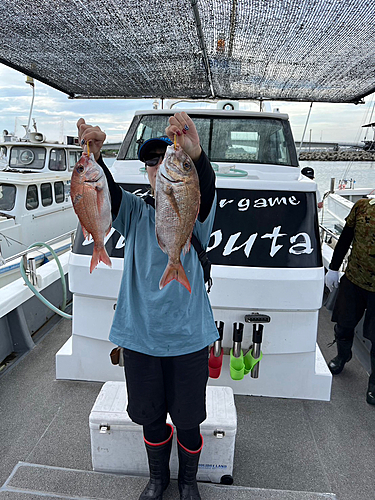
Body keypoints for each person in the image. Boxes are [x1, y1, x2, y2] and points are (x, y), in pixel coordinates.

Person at [77, 112, 219, 500]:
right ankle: (158, 479)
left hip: (188, 338)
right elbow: (105, 192)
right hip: (139, 336)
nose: (158, 165)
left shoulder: (195, 205)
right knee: (150, 418)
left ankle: (187, 482)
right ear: (146, 171)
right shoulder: (136, 212)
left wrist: (196, 156)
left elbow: (203, 186)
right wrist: (95, 155)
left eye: (163, 158)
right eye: (151, 161)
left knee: (189, 421)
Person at [325, 196, 375, 405]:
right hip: (354, 279)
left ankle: (374, 383)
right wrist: (334, 268)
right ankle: (342, 356)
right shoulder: (362, 206)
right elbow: (345, 238)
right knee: (343, 325)